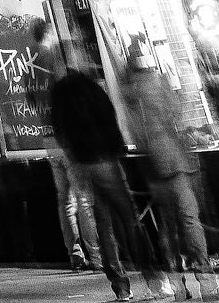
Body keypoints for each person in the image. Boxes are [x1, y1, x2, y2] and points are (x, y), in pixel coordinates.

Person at [49, 40, 158, 302]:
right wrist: (116, 149)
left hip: (83, 163)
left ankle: (121, 286)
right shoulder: (89, 87)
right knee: (130, 219)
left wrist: (75, 159)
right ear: (76, 57)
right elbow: (108, 118)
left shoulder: (59, 93)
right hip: (104, 159)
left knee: (103, 224)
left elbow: (60, 130)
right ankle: (153, 278)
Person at [119, 42, 219, 299]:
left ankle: (179, 287)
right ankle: (208, 285)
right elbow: (174, 114)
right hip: (172, 160)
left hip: (150, 165)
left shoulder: (127, 93)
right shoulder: (155, 82)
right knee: (190, 221)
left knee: (168, 228)